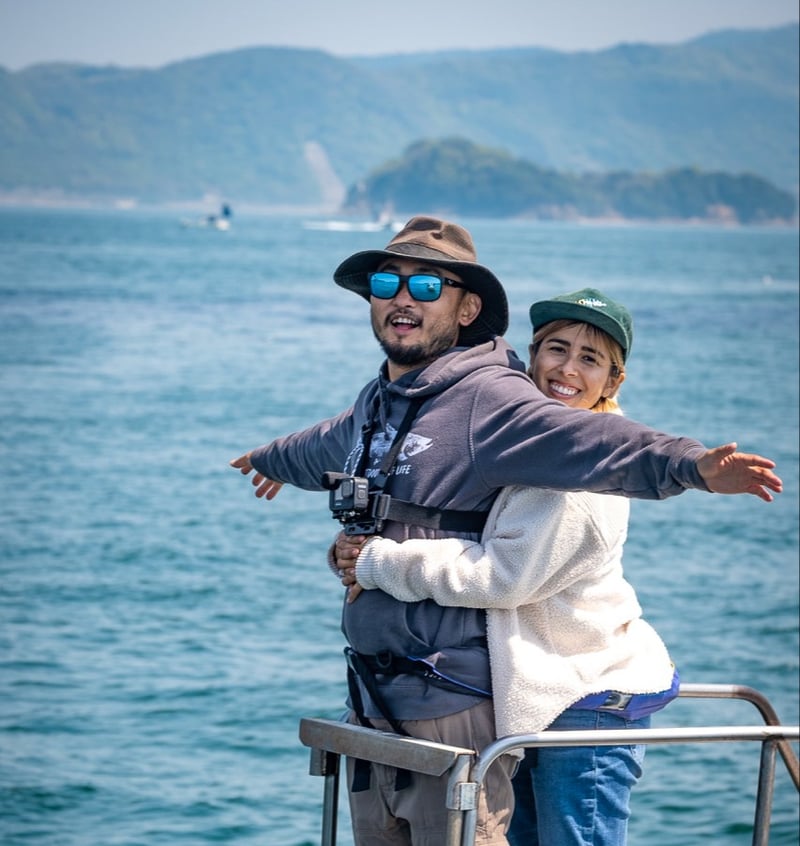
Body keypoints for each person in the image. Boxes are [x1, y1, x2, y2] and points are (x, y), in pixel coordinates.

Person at [229, 216, 781, 846]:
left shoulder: (493, 406)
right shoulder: (386, 399)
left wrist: (691, 465)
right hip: (383, 703)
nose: (403, 297)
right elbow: (330, 439)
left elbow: (597, 444)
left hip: (518, 703)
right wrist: (270, 458)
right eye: (388, 281)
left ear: (468, 308)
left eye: (428, 286)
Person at [333, 287, 678, 845]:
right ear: (531, 356)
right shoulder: (523, 443)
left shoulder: (582, 481)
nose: (567, 369)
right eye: (556, 349)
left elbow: (502, 576)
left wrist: (378, 564)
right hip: (535, 693)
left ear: (613, 382)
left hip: (586, 699)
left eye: (590, 359)